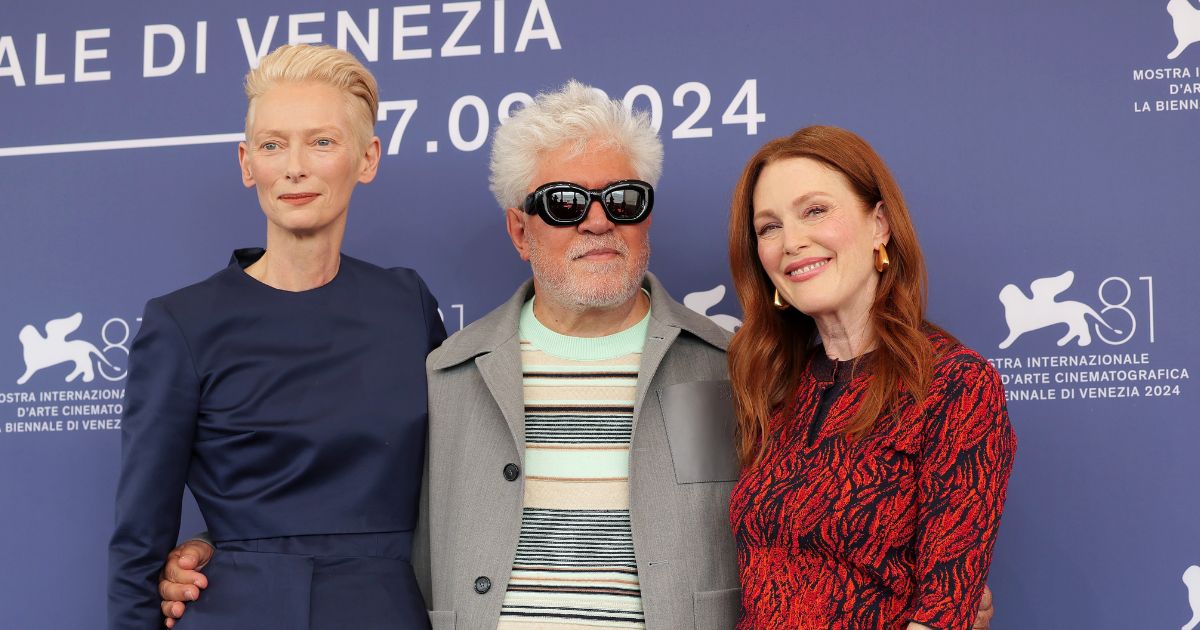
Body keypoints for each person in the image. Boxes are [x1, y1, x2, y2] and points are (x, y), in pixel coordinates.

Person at [156, 87, 997, 629]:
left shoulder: (740, 369)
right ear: (521, 230)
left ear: (647, 219)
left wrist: (939, 599)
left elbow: (839, 522)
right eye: (563, 203)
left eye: (621, 200)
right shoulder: (446, 373)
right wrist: (229, 553)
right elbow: (357, 503)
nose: (597, 221)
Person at [107, 44, 444, 630]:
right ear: (246, 163)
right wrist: (231, 545)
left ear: (367, 159)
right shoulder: (182, 323)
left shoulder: (406, 303)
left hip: (390, 610)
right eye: (272, 144)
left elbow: (456, 478)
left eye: (321, 141)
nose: (295, 166)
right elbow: (139, 541)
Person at [726, 125, 1016, 629]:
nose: (791, 242)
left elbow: (944, 613)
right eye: (768, 227)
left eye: (815, 210)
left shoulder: (954, 385)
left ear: (879, 224)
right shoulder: (776, 387)